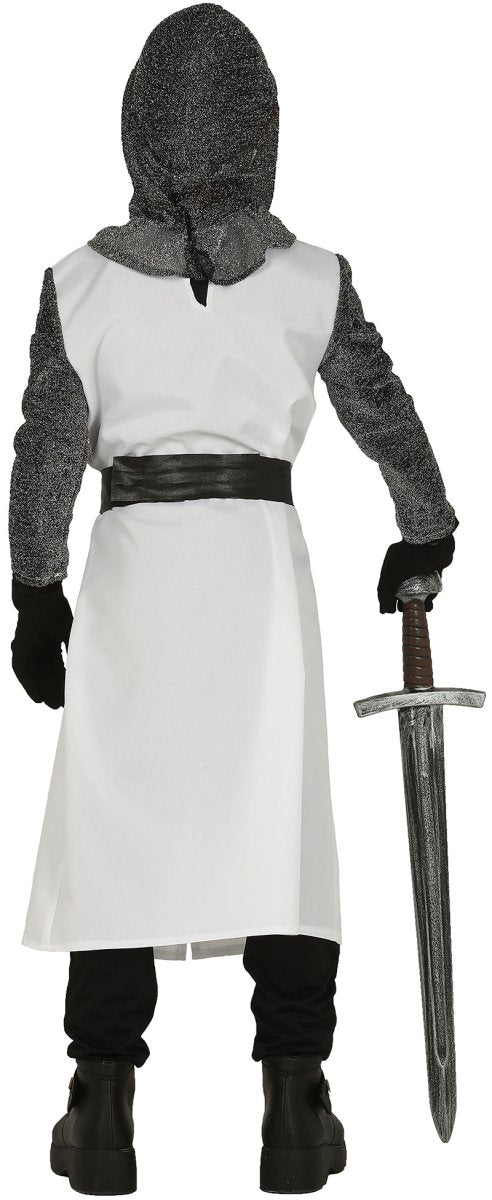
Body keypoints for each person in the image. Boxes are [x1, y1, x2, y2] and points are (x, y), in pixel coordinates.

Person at [8, 5, 457, 1195]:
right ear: (262, 130)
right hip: (260, 582)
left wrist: (36, 590)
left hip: (135, 582)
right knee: (279, 829)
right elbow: (381, 407)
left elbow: (47, 449)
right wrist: (424, 523)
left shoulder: (82, 284)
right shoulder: (311, 280)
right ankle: (296, 1104)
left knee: (117, 831)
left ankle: (99, 1105)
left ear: (137, 128)